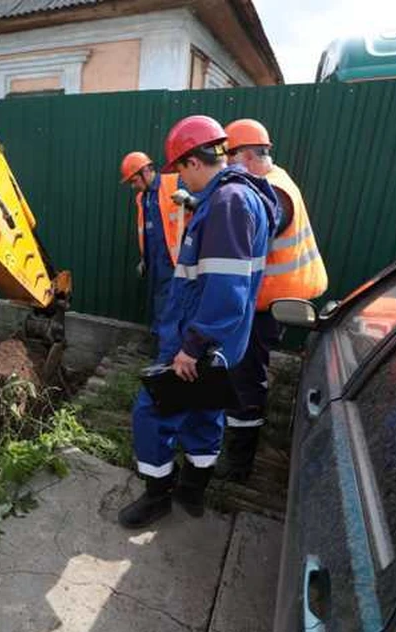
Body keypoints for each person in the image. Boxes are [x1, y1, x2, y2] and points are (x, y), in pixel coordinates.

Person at [118, 116, 279, 529]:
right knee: (205, 412)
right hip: (223, 342)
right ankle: (192, 492)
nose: (181, 183)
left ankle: (158, 497)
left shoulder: (227, 204)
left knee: (152, 412)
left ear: (192, 161)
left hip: (199, 338)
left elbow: (226, 288)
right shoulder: (240, 197)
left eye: (181, 172)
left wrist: (191, 346)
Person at [221, 119, 328, 481]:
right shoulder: (275, 179)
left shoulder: (272, 194)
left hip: (269, 306)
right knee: (243, 373)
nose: (225, 166)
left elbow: (259, 225)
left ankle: (238, 464)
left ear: (247, 156)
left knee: (245, 378)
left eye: (228, 158)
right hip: (274, 301)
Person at [120, 152, 184, 350]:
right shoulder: (142, 198)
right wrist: (143, 259)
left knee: (169, 305)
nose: (133, 186)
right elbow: (147, 230)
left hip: (173, 260)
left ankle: (165, 350)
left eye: (134, 180)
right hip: (154, 260)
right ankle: (158, 342)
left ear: (146, 171)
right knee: (158, 301)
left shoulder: (175, 183)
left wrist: (190, 199)